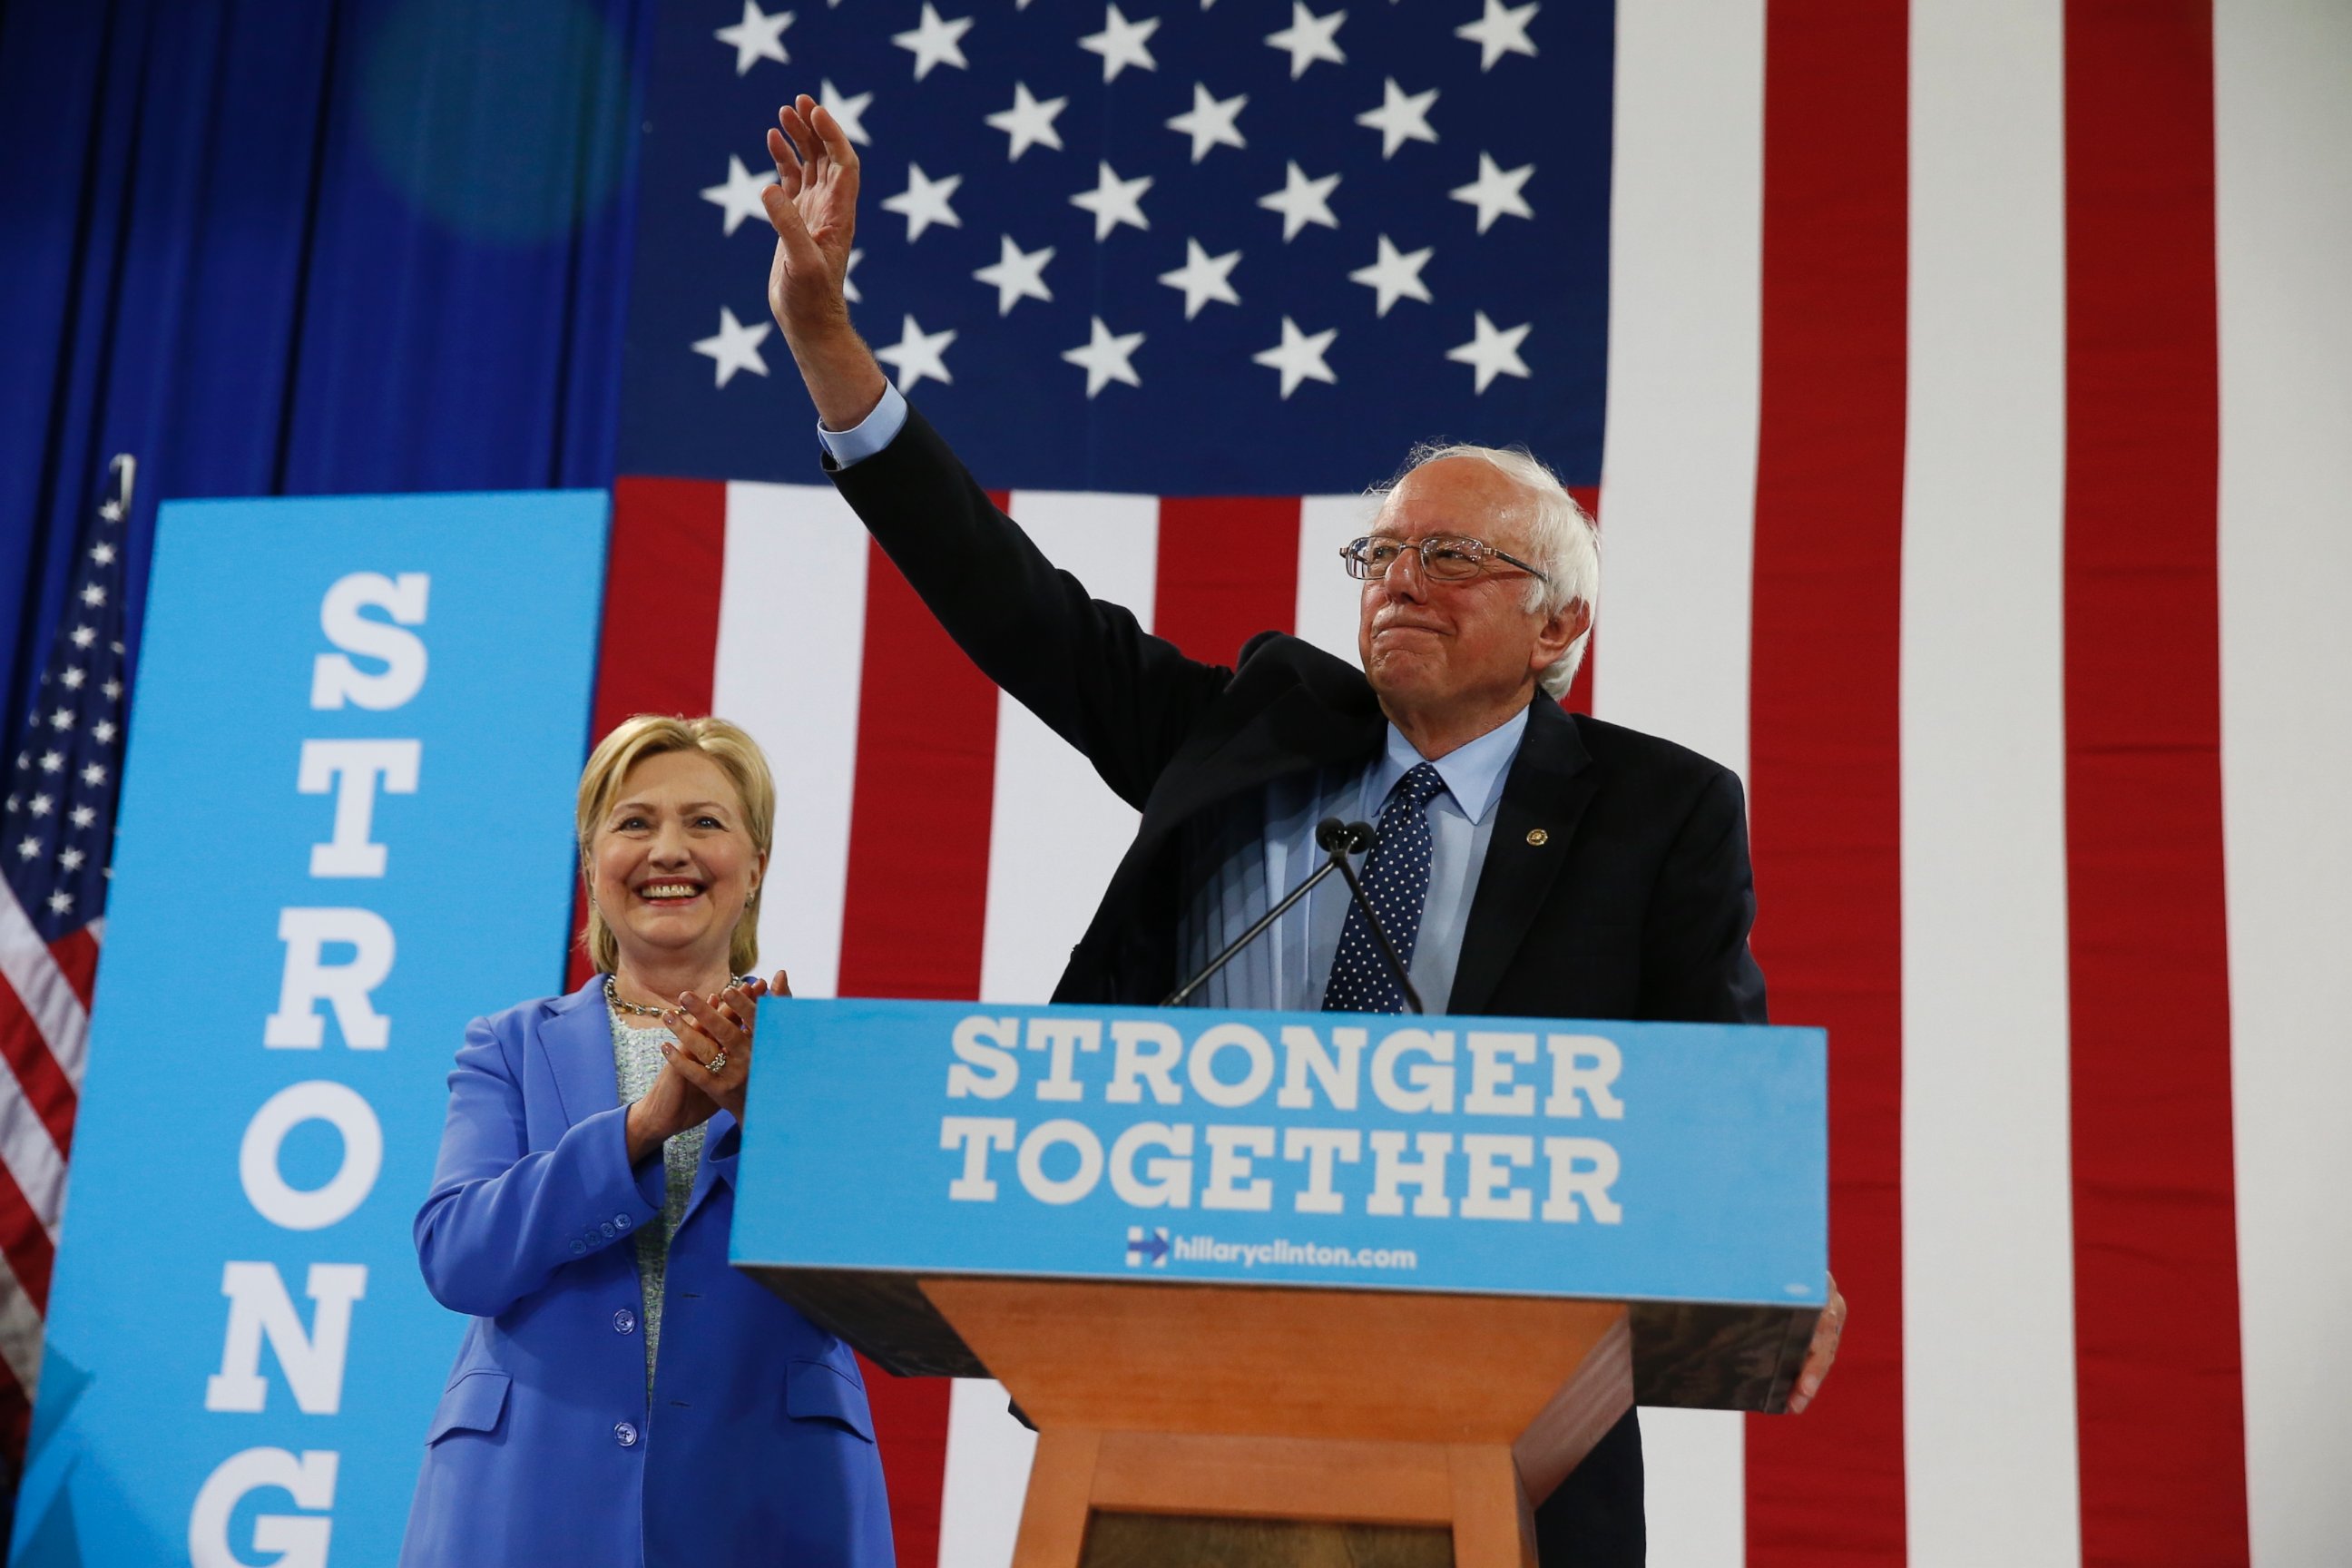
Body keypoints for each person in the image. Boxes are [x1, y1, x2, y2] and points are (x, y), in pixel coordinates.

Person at [755, 94, 1847, 1568]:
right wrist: (833, 347)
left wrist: (1764, 1243)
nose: (1399, 579)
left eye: (1452, 556)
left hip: (1505, 1436)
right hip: (1168, 1391)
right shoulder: (1260, 730)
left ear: (1558, 626)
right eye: (1380, 552)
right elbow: (1020, 609)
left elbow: (1700, 1091)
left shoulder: (1656, 815)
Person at [398, 715, 892, 1568]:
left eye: (705, 822)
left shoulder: (827, 1058)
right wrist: (645, 1126)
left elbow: (887, 1293)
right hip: (528, 1502)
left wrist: (772, 1120)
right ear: (593, 868)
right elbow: (459, 1258)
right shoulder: (508, 1046)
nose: (670, 850)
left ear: (756, 867)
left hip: (773, 1501)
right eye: (634, 823)